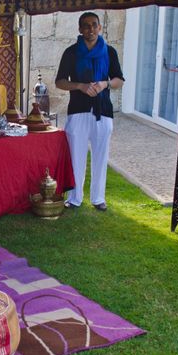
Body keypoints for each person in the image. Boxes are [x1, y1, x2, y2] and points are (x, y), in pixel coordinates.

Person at [55, 12, 124, 211]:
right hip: (78, 112)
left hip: (103, 112)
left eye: (94, 25)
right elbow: (60, 81)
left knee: (101, 156)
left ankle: (98, 198)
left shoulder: (109, 52)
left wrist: (105, 83)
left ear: (100, 27)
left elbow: (119, 80)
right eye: (86, 26)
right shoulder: (71, 52)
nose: (90, 29)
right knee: (76, 156)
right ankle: (75, 198)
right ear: (80, 29)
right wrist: (80, 86)